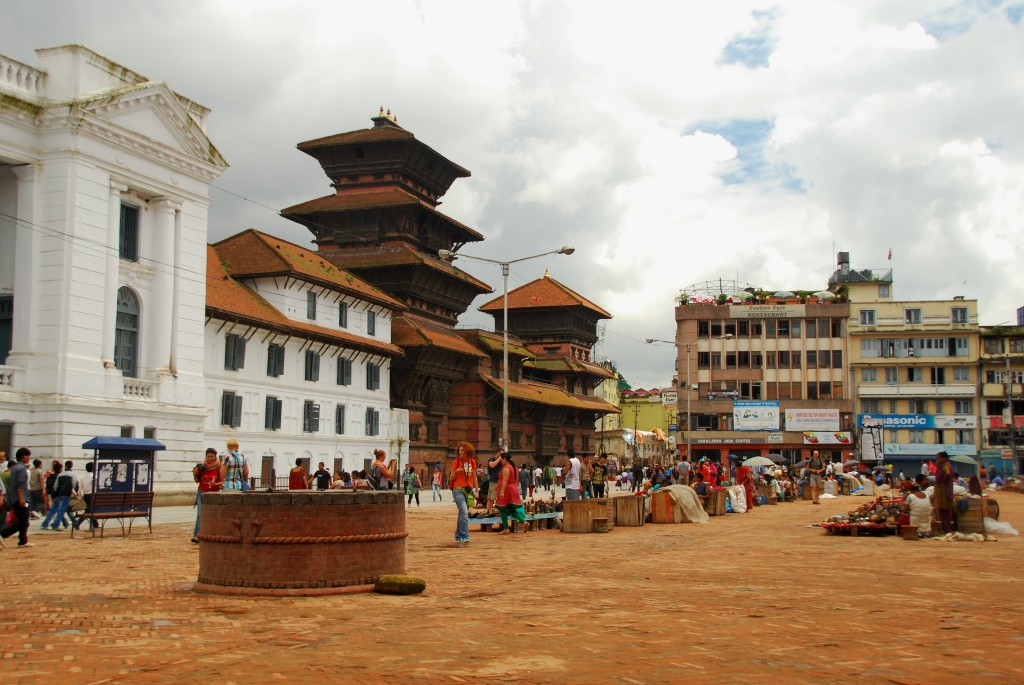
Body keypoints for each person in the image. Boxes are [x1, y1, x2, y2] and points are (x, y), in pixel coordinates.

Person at [0, 448, 33, 547]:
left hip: (14, 497)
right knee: (24, 521)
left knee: (22, 520)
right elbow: (20, 484)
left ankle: (23, 541)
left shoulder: (14, 468)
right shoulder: (22, 469)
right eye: (28, 456)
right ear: (24, 456)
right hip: (20, 498)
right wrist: (22, 498)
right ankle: (2, 534)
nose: (29, 458)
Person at [449, 442, 479, 545]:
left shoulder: (472, 462)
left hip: (468, 490)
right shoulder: (456, 462)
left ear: (467, 451)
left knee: (462, 513)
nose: (460, 452)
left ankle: (458, 535)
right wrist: (456, 472)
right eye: (459, 450)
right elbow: (451, 478)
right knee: (464, 511)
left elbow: (474, 477)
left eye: (462, 450)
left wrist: (477, 490)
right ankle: (464, 535)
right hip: (458, 490)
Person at [191, 448, 222, 543]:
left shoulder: (219, 467)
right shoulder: (202, 467)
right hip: (202, 492)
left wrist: (215, 485)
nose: (210, 458)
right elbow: (197, 481)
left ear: (215, 457)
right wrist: (195, 474)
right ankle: (197, 534)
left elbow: (221, 481)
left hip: (214, 493)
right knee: (200, 514)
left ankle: (212, 533)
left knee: (213, 514)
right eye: (208, 456)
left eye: (212, 456)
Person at [496, 451, 528, 534]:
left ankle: (506, 528)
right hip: (513, 489)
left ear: (505, 459)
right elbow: (516, 480)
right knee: (511, 509)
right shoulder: (515, 468)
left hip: (507, 490)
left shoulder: (506, 468)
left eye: (502, 460)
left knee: (502, 509)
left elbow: (505, 480)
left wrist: (502, 492)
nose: (501, 462)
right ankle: (523, 522)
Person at [42, 460, 79, 531]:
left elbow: (56, 486)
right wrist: (75, 493)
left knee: (53, 509)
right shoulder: (72, 475)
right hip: (67, 493)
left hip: (59, 494)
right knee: (62, 509)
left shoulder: (60, 475)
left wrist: (55, 493)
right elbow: (74, 484)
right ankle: (56, 524)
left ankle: (45, 524)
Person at [934, 451, 956, 534]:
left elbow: (947, 473)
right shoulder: (943, 465)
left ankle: (947, 528)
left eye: (938, 458)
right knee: (943, 510)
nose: (937, 460)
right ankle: (946, 527)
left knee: (944, 510)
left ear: (944, 458)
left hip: (944, 491)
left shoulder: (946, 465)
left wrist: (942, 483)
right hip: (943, 490)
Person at [74, 461, 97, 532]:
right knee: (89, 510)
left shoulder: (83, 477)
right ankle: (79, 523)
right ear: (93, 468)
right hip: (92, 495)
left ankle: (95, 524)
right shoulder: (93, 476)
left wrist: (79, 496)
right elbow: (95, 486)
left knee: (89, 510)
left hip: (86, 495)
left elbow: (80, 487)